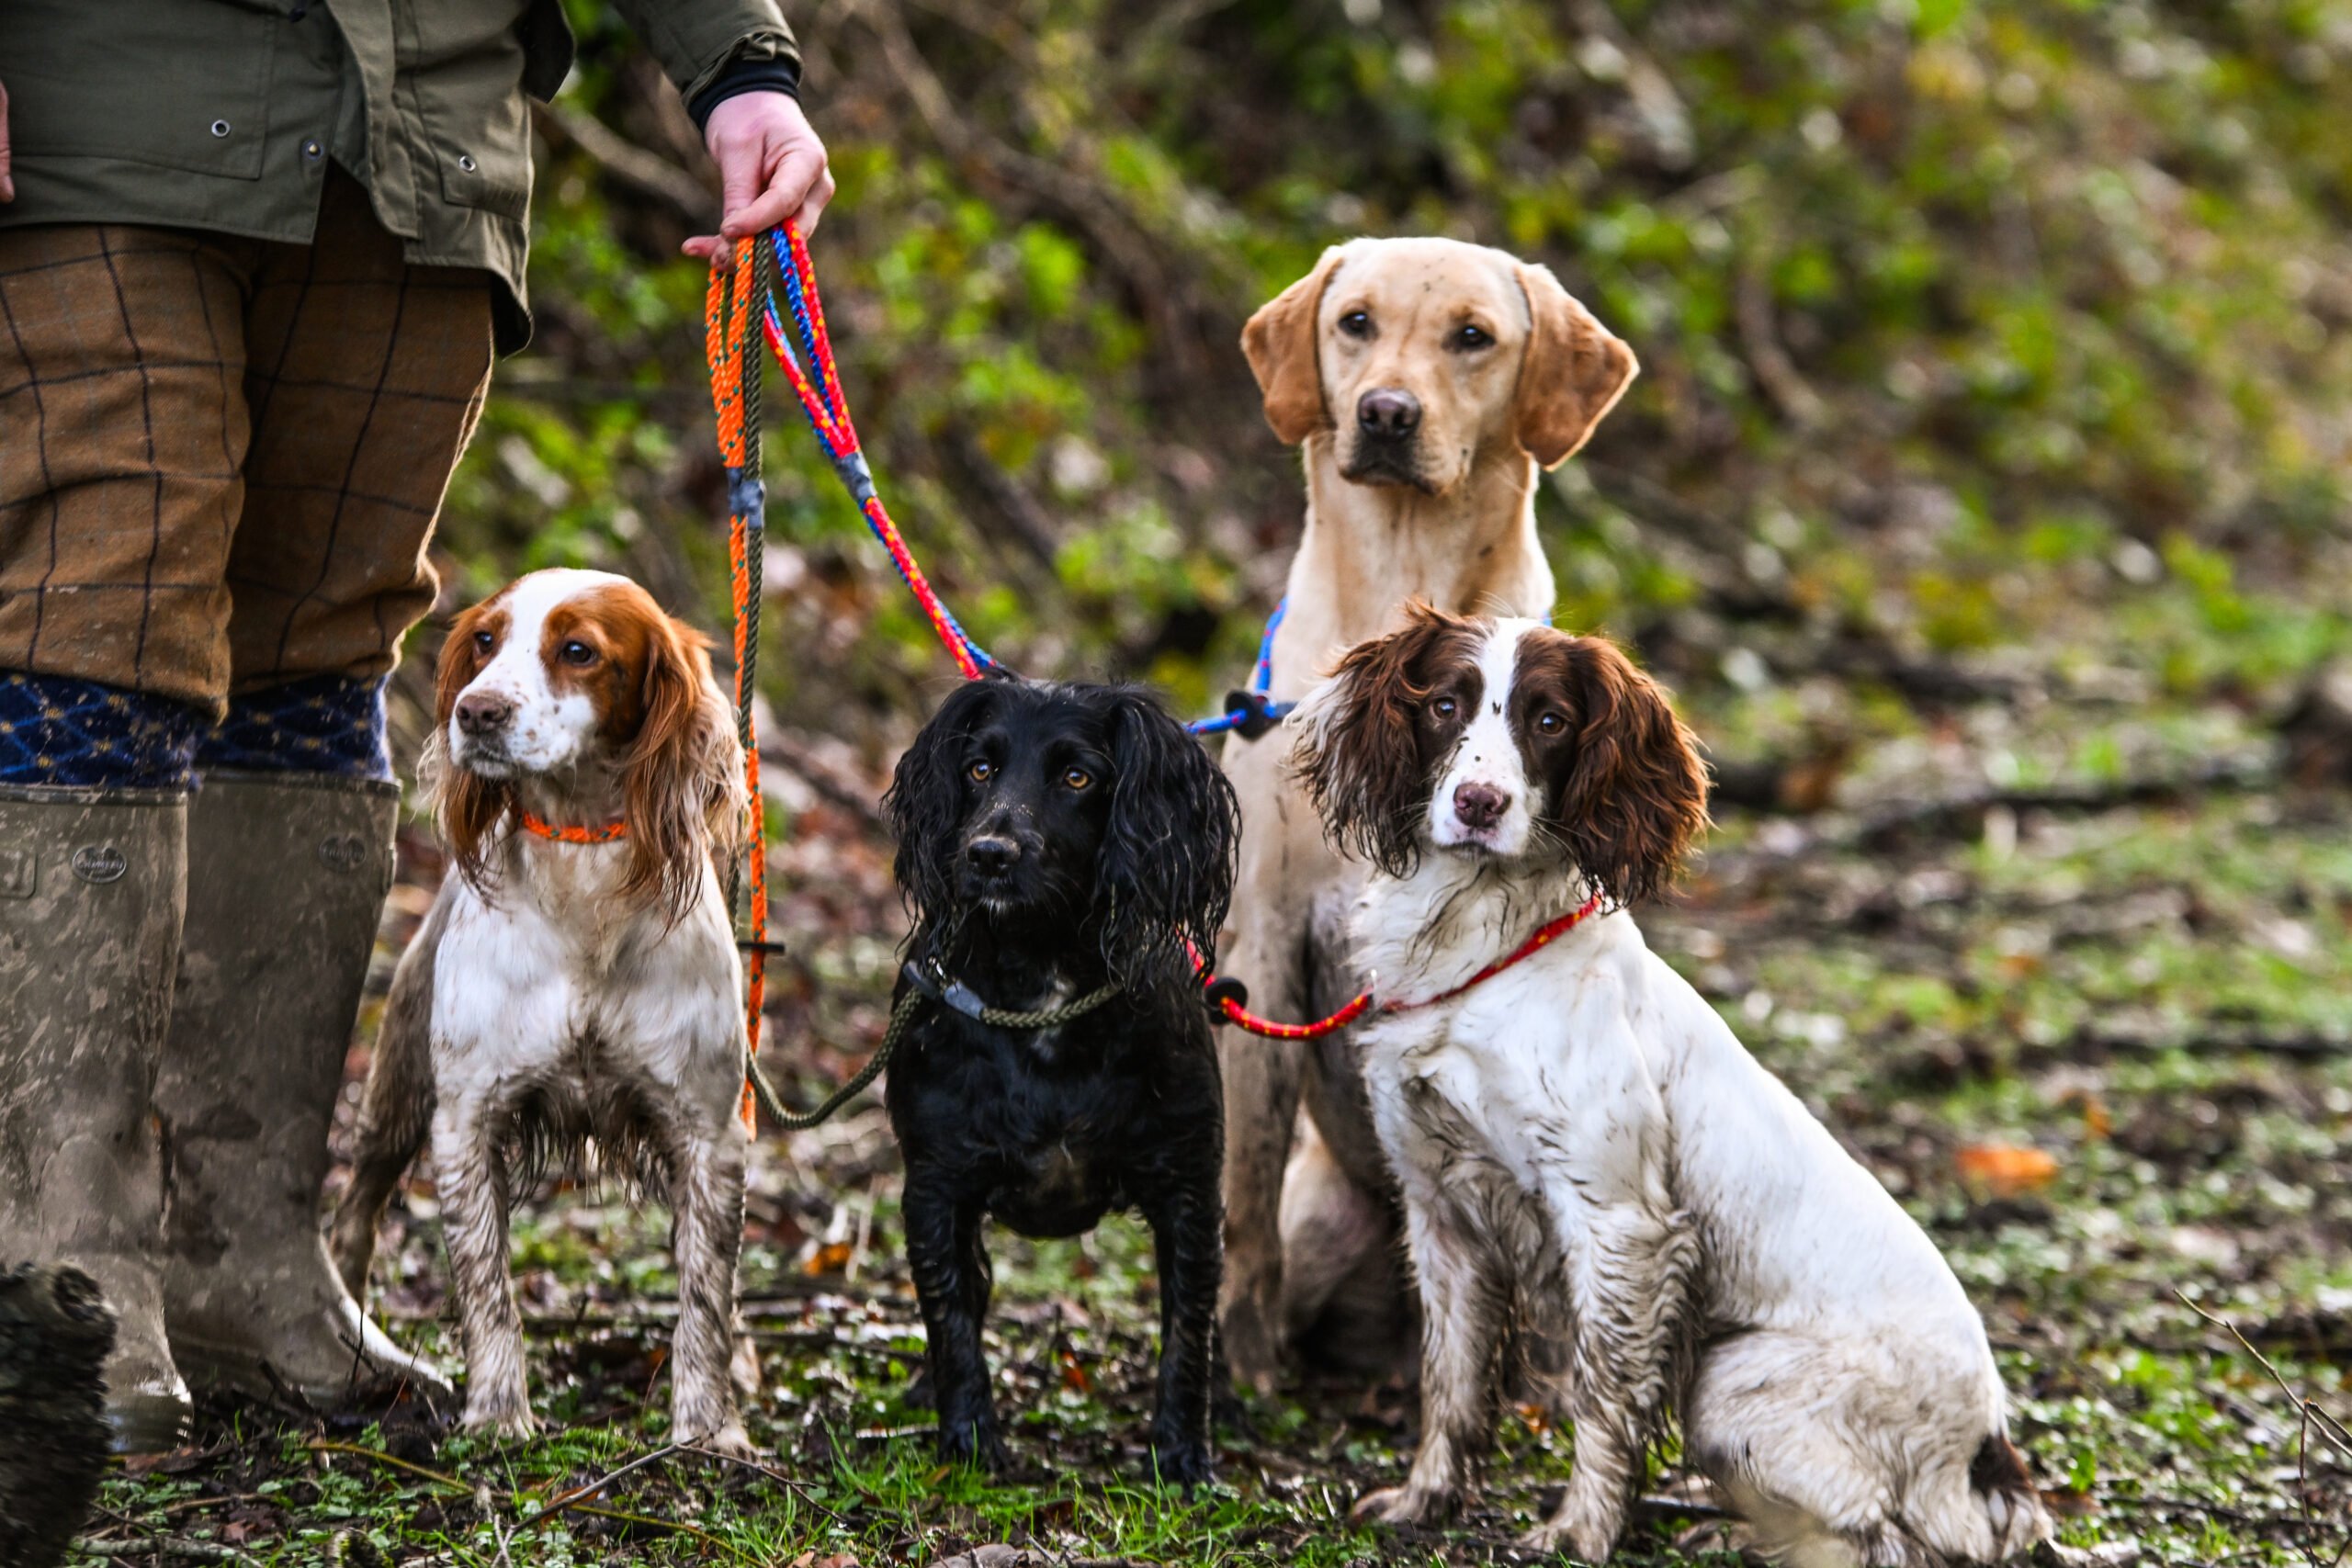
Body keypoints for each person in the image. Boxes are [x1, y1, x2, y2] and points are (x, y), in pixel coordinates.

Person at [0, 0, 831, 1452]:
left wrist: (738, 66)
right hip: (103, 113)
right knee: (99, 621)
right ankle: (63, 1274)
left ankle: (243, 1260)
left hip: (424, 146)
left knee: (323, 648)